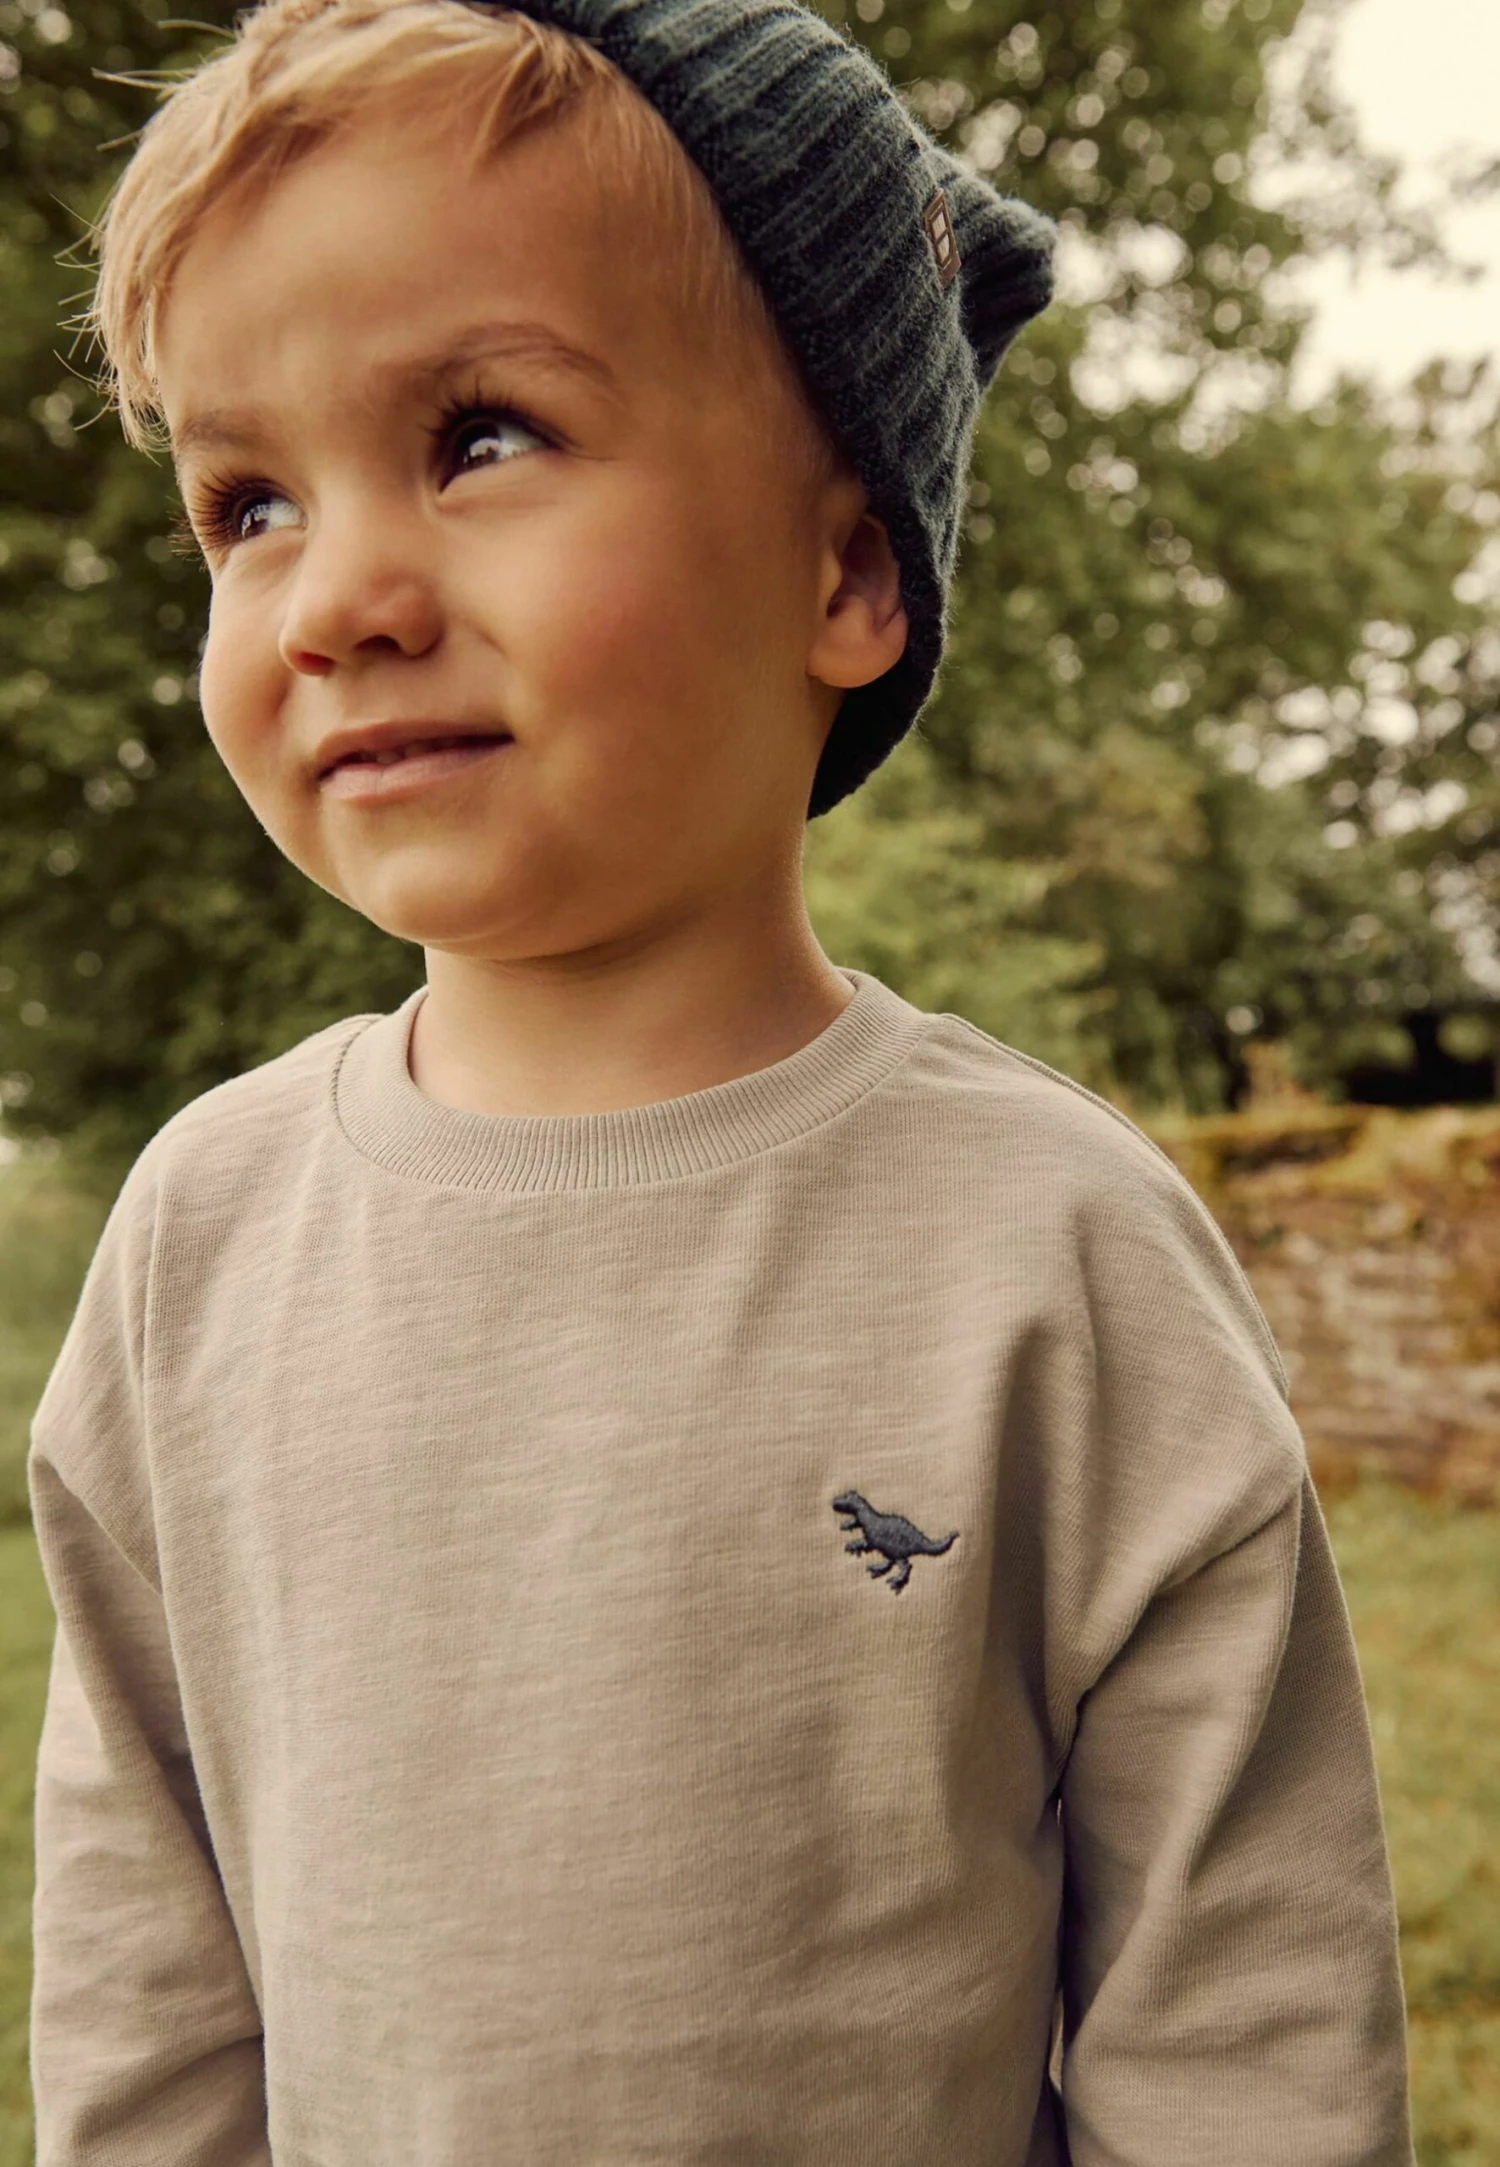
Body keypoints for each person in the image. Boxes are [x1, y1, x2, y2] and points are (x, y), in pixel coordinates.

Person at [27, 1, 1414, 2160]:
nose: (337, 599)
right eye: (249, 503)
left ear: (847, 569)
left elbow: (1242, 2028)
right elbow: (145, 1976)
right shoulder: (201, 1240)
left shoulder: (1055, 1247)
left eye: (482, 435)